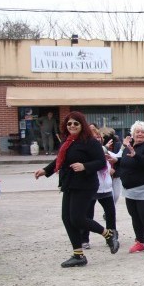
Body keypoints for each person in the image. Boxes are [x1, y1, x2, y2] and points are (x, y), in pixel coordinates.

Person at [33, 112, 120, 267]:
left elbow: (101, 162)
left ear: (82, 125)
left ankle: (108, 234)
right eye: (69, 124)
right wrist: (46, 171)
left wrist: (84, 166)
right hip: (70, 183)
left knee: (77, 218)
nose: (72, 126)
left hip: (86, 184)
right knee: (67, 219)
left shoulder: (90, 142)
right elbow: (60, 160)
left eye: (75, 123)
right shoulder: (68, 142)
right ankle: (78, 255)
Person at [114, 121, 144, 256]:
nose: (140, 134)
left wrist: (137, 156)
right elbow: (125, 162)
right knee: (135, 216)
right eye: (137, 132)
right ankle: (140, 242)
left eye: (142, 132)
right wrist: (116, 161)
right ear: (133, 134)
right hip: (130, 189)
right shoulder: (130, 146)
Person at [81, 124, 117, 251]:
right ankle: (84, 239)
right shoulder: (87, 152)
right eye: (94, 137)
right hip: (92, 188)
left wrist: (113, 165)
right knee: (87, 215)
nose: (97, 139)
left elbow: (116, 157)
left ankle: (112, 237)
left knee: (111, 213)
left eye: (98, 137)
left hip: (106, 188)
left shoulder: (105, 151)